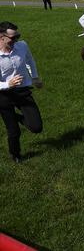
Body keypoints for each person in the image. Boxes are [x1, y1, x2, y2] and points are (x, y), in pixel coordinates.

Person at [0, 21, 44, 163]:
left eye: (17, 36)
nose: (16, 40)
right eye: (13, 38)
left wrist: (35, 77)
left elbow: (29, 60)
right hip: (3, 95)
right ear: (2, 37)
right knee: (14, 131)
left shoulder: (22, 46)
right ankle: (16, 154)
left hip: (22, 90)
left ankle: (18, 117)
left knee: (36, 127)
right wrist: (8, 83)